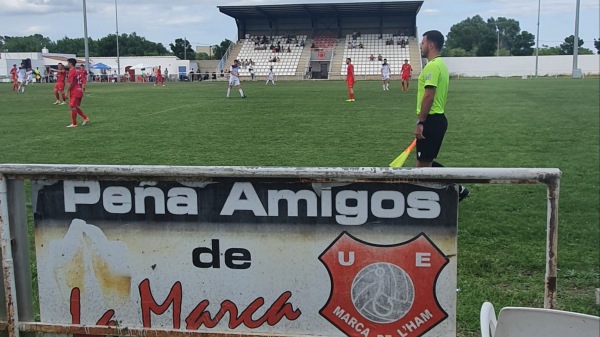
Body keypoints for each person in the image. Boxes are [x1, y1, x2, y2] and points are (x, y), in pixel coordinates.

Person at [413, 30, 468, 200]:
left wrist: (420, 122)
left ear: (430, 44)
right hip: (436, 120)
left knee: (422, 168)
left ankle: (452, 191)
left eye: (422, 43)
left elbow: (429, 95)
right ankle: (458, 189)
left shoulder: (432, 66)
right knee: (424, 164)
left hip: (431, 120)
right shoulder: (441, 65)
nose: (420, 46)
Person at [65, 58, 89, 128]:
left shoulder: (72, 71)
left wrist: (66, 92)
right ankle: (85, 118)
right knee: (75, 106)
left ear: (71, 64)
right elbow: (82, 80)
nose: (67, 64)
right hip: (79, 90)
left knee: (72, 106)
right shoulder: (78, 71)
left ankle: (74, 123)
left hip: (75, 91)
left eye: (68, 63)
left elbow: (71, 83)